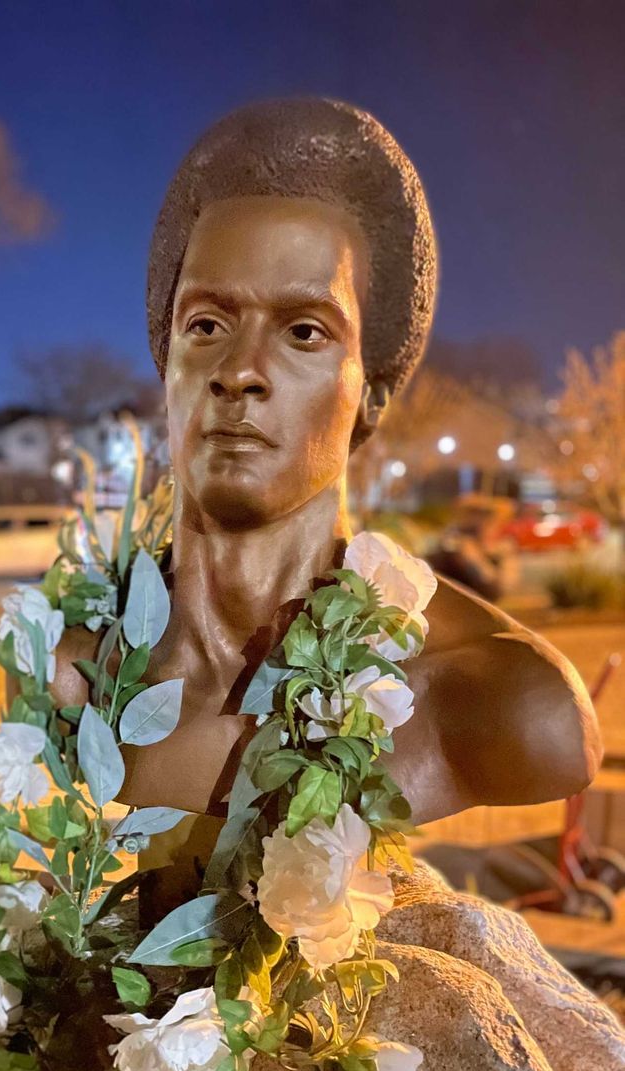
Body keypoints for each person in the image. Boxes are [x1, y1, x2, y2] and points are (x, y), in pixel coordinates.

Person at [52, 98, 600, 911]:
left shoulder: (496, 699)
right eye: (206, 323)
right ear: (167, 363)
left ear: (371, 393)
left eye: (303, 331)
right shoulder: (76, 665)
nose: (239, 370)